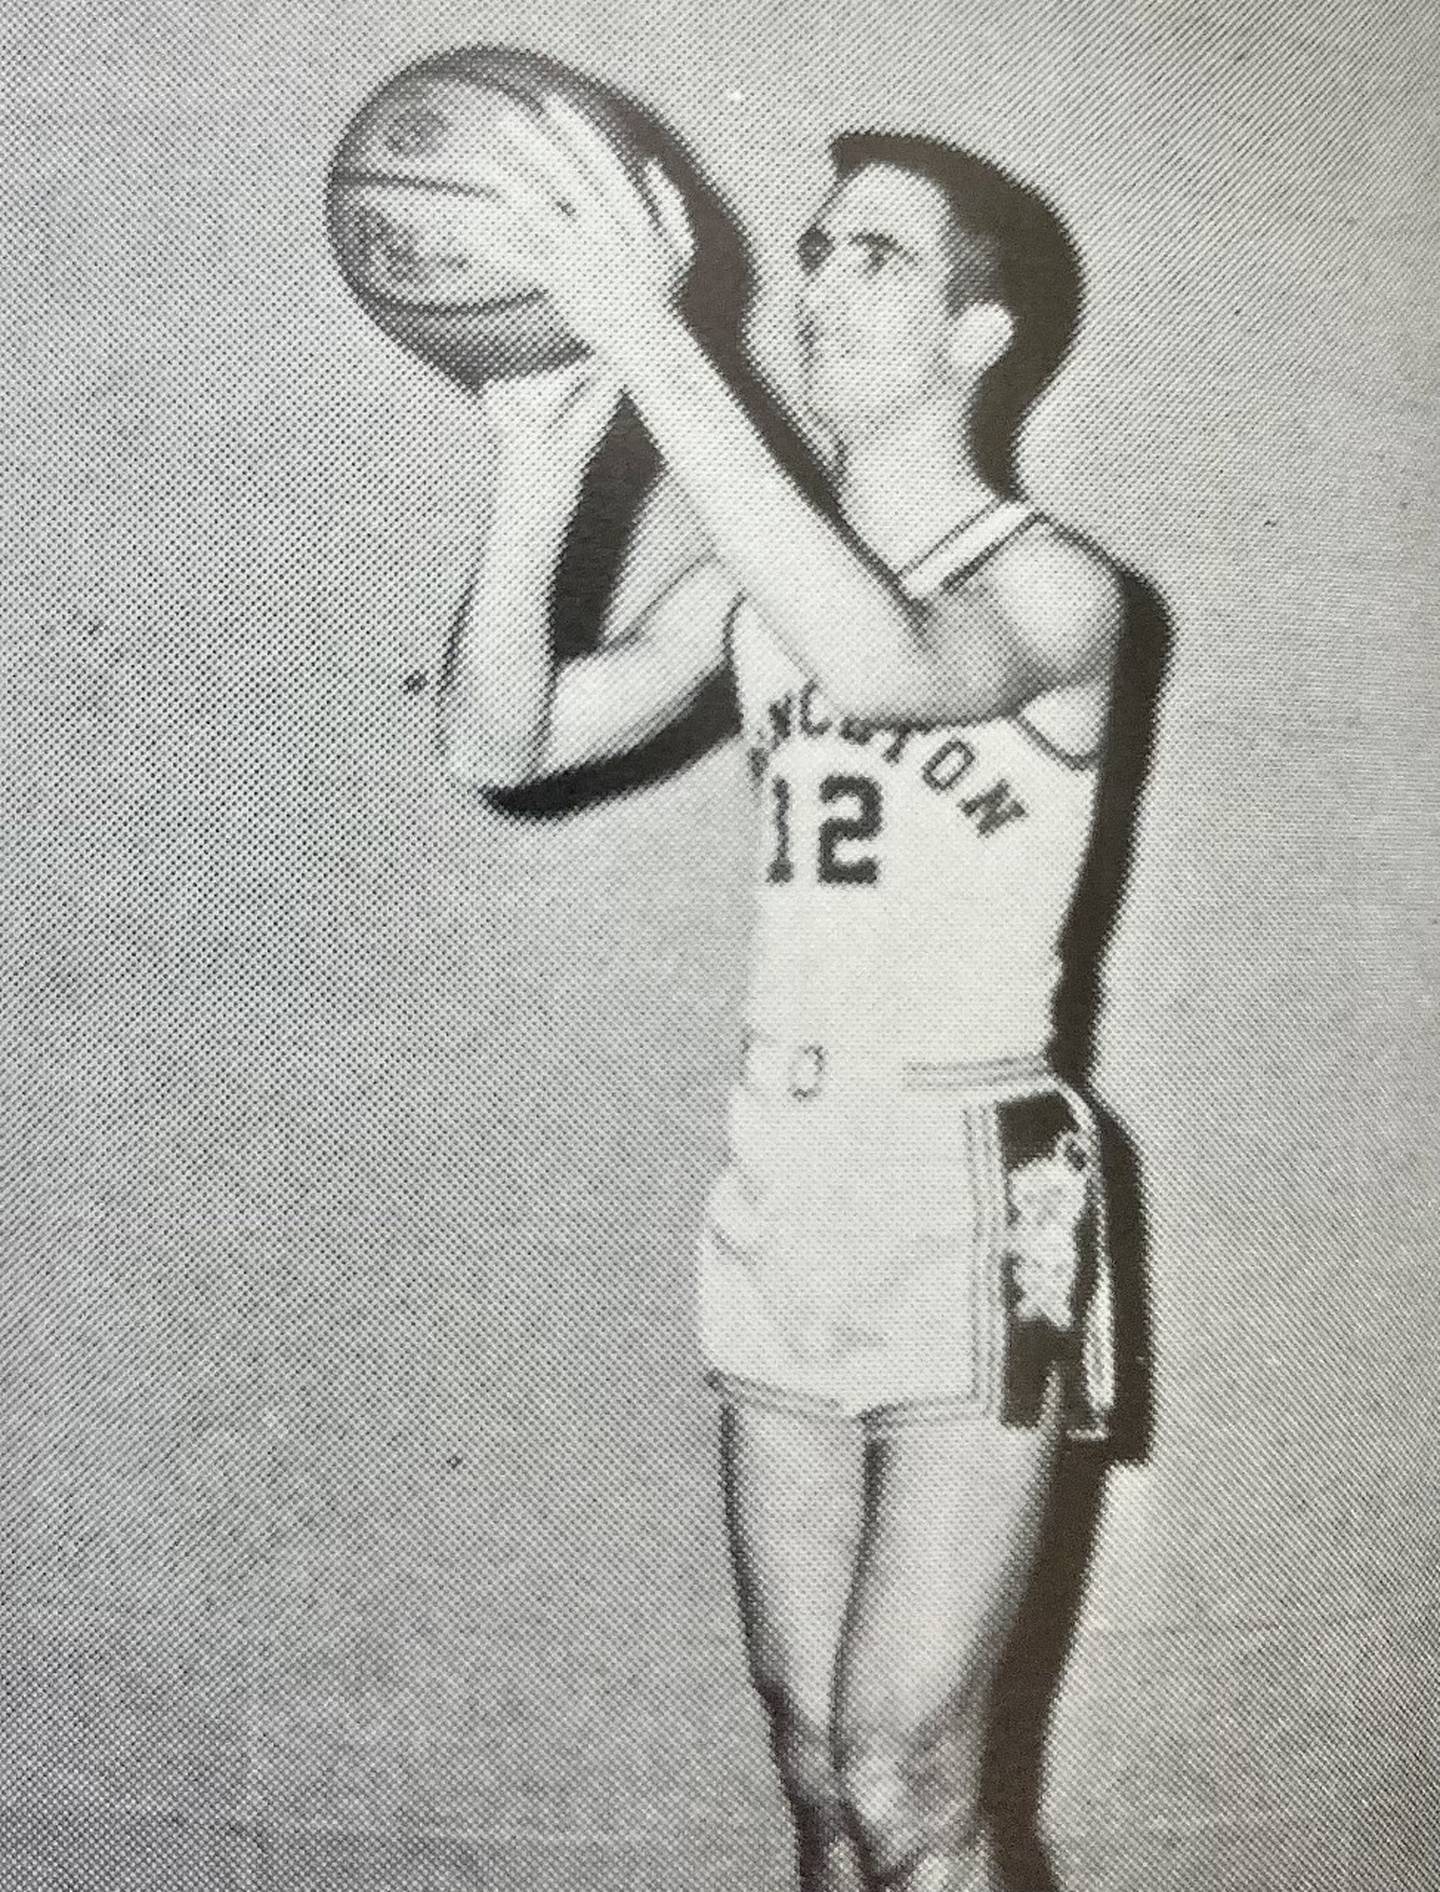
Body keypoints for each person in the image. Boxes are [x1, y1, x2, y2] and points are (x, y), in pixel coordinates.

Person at [434, 99, 1123, 1892]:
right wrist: (535, 458)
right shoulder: (754, 583)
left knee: (914, 1778)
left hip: (971, 1175)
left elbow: (890, 669)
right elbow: (494, 739)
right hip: (788, 1167)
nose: (817, 283)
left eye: (872, 255)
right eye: (811, 252)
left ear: (981, 334)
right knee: (817, 1768)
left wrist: (648, 331)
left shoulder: (1058, 588)